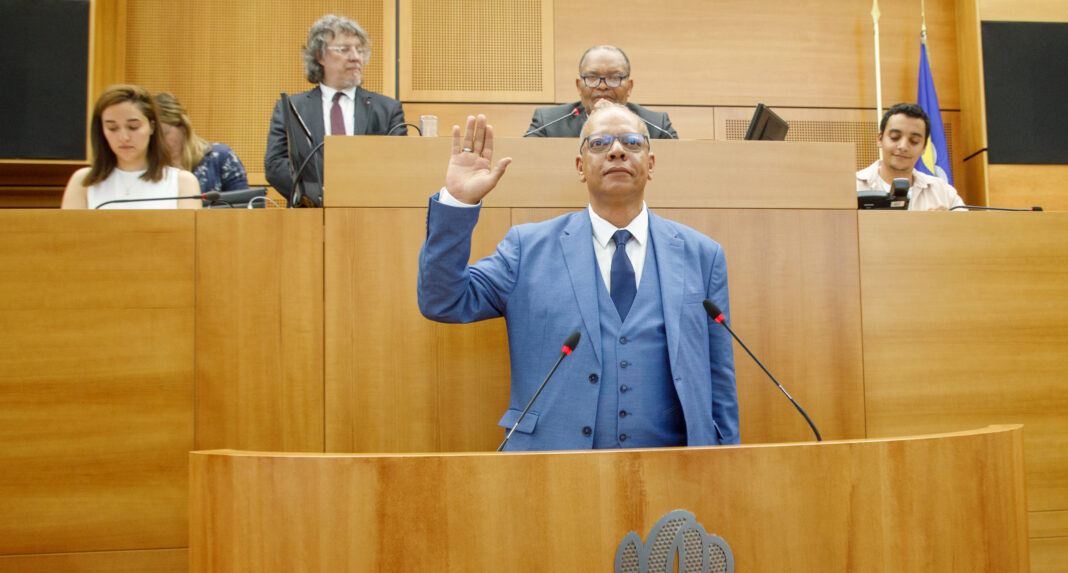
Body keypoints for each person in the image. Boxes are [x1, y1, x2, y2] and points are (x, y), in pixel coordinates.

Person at [418, 105, 738, 451]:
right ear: (580, 166)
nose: (617, 151)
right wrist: (458, 203)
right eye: (599, 144)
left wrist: (726, 464)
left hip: (674, 467)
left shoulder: (702, 255)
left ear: (651, 163)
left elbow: (719, 376)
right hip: (553, 465)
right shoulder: (528, 248)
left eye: (632, 142)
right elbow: (443, 300)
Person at [264, 14, 406, 204]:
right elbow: (275, 165)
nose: (356, 57)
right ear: (319, 55)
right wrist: (318, 193)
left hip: (370, 213)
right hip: (310, 216)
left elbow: (398, 165)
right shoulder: (292, 107)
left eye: (360, 50)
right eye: (344, 49)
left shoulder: (388, 109)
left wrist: (356, 192)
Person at [61, 84, 201, 209]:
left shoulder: (182, 182)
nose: (124, 137)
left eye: (133, 127)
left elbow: (189, 237)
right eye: (112, 128)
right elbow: (67, 236)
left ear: (152, 127)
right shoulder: (83, 181)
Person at [525, 45, 676, 139]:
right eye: (592, 77)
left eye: (614, 77)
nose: (603, 86)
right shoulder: (548, 123)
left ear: (629, 87)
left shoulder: (657, 126)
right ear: (579, 86)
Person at [856, 102, 964, 211]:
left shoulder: (943, 192)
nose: (903, 146)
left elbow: (970, 227)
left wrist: (944, 225)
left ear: (924, 148)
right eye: (895, 137)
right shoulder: (853, 186)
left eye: (914, 141)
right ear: (880, 139)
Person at [154, 92, 248, 193]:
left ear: (183, 128)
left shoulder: (221, 157)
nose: (157, 141)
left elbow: (244, 205)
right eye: (153, 136)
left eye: (163, 134)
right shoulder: (145, 167)